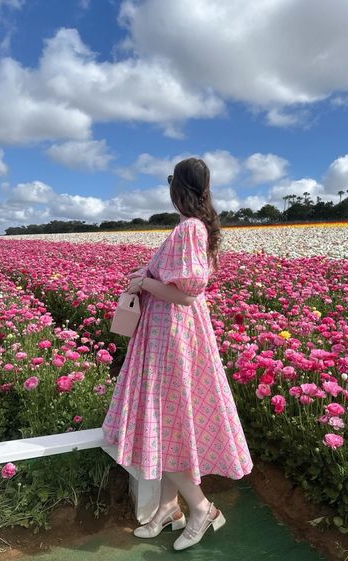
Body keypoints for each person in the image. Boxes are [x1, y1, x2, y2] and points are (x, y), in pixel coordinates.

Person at [102, 157, 254, 551]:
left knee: (167, 421)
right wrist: (148, 277)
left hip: (172, 337)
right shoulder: (194, 228)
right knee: (172, 421)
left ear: (178, 189)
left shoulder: (188, 228)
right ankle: (169, 507)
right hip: (171, 336)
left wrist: (145, 284)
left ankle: (201, 507)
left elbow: (186, 295)